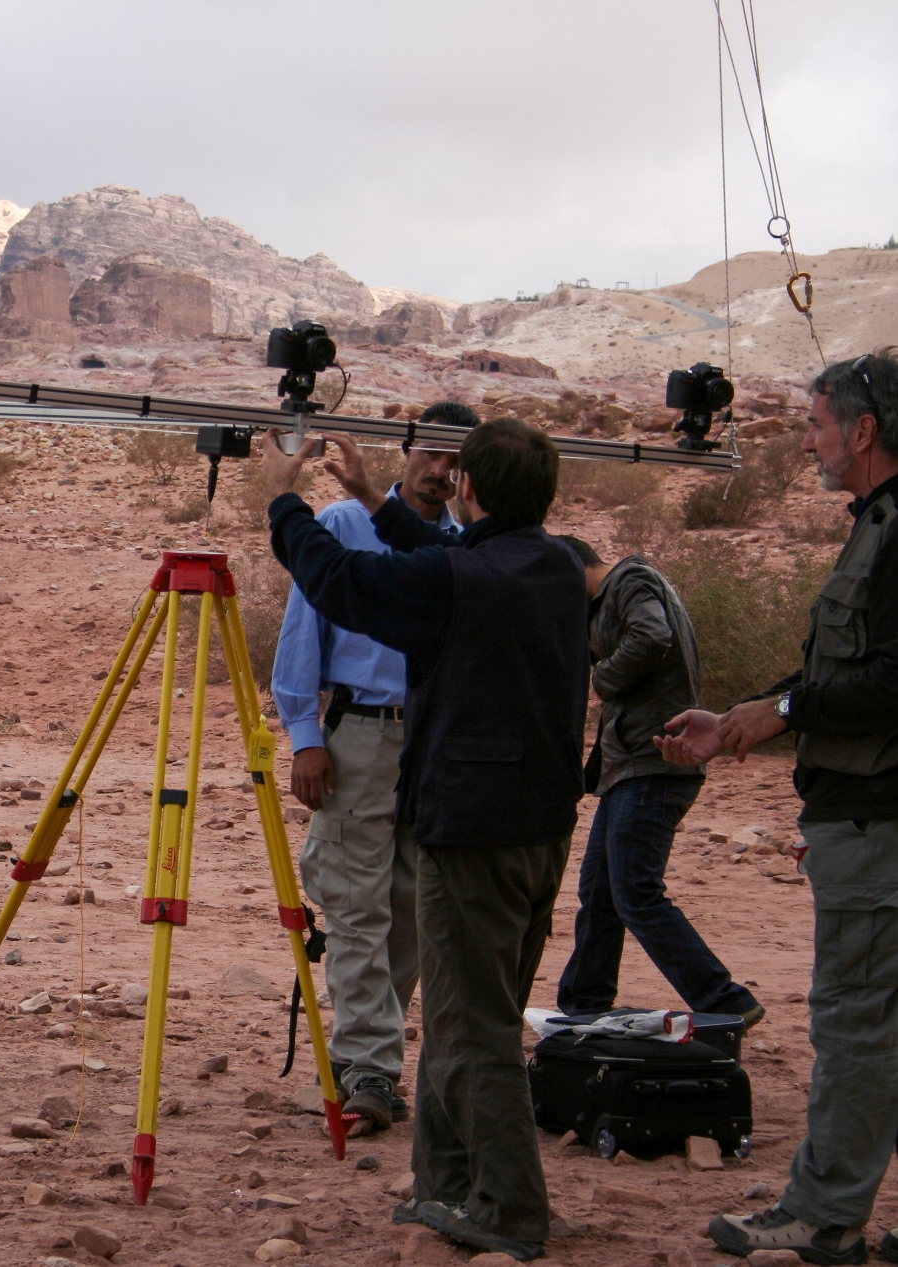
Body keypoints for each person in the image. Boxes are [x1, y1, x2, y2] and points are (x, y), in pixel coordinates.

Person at [259, 420, 588, 1263]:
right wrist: (372, 497)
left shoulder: (459, 577)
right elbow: (441, 561)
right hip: (535, 829)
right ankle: (445, 1184)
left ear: (470, 490)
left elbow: (340, 577)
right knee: (454, 1010)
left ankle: (509, 1206)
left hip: (471, 829)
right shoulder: (550, 564)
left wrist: (280, 495)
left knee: (470, 1024)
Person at [662, 351, 898, 1266]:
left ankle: (825, 1214)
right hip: (862, 818)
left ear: (862, 430)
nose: (805, 440)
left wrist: (782, 712)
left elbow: (882, 686)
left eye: (813, 423)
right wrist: (740, 721)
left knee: (853, 1025)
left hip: (876, 826)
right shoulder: (874, 527)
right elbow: (840, 673)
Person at [269, 401, 470, 1131]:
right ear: (407, 450)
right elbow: (303, 630)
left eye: (455, 462)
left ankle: (367, 1056)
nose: (439, 473)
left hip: (431, 743)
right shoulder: (345, 525)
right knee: (355, 907)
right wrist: (304, 735)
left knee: (412, 908)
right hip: (356, 736)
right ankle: (371, 1069)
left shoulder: (464, 547)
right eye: (431, 455)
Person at [552, 537, 762, 1025]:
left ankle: (724, 1000)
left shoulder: (629, 580)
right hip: (632, 766)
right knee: (601, 890)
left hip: (655, 762)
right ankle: (583, 1004)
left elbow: (651, 637)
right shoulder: (613, 597)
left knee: (634, 891)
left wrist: (601, 678)